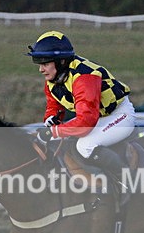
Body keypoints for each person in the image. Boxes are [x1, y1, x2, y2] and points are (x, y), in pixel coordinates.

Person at [27, 30, 136, 189]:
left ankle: (126, 182)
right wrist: (51, 119)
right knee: (52, 139)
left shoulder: (85, 78)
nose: (41, 70)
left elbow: (85, 123)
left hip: (119, 115)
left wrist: (54, 131)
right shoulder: (53, 79)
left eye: (45, 64)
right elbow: (54, 106)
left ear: (61, 62)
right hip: (96, 116)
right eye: (39, 64)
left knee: (85, 146)